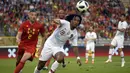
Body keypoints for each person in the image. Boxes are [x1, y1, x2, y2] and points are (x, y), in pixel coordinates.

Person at [14, 6, 46, 73]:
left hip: (31, 46)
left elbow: (44, 36)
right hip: (22, 44)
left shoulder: (39, 26)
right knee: (18, 61)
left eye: (35, 15)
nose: (34, 16)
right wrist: (18, 39)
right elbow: (18, 35)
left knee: (23, 59)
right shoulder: (24, 24)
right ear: (29, 15)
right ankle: (19, 70)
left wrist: (41, 47)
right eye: (32, 15)